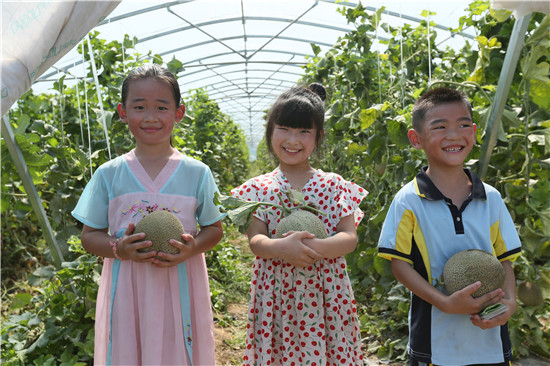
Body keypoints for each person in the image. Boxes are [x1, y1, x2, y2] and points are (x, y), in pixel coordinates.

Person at [71, 64, 225, 365]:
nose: (151, 117)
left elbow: (214, 229)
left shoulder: (197, 173)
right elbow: (89, 237)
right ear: (123, 112)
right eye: (139, 107)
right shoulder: (109, 174)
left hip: (181, 280)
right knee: (130, 351)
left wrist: (192, 247)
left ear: (178, 113)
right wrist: (119, 249)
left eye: (161, 107)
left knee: (179, 351)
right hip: (128, 288)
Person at [377, 87, 522, 366]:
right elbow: (399, 264)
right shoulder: (408, 200)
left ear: (474, 131)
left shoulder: (490, 197)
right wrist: (444, 302)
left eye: (463, 125)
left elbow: (505, 261)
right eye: (440, 126)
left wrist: (511, 302)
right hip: (434, 342)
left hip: (489, 339)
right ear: (416, 138)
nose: (454, 135)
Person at [231, 83, 368, 365]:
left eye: (304, 131)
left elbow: (349, 237)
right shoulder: (258, 189)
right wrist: (281, 248)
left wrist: (312, 247)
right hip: (276, 295)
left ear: (318, 137)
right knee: (281, 351)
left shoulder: (333, 185)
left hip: (326, 294)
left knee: (328, 350)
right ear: (270, 132)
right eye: (284, 129)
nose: (293, 139)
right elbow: (256, 241)